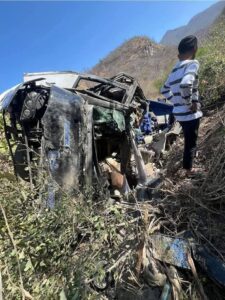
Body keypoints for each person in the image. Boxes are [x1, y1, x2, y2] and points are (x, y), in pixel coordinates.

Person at [161, 35, 202, 176]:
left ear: (180, 52)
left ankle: (188, 163)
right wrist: (189, 103)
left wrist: (176, 102)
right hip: (189, 112)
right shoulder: (193, 63)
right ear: (194, 49)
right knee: (191, 141)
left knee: (189, 140)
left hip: (180, 114)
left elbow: (164, 90)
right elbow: (186, 84)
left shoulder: (173, 70)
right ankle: (189, 170)